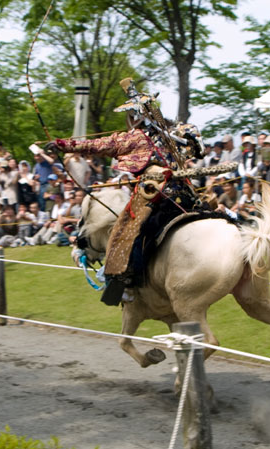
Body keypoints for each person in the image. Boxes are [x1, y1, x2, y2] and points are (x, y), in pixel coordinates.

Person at [47, 78, 206, 305]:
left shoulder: (159, 134)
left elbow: (97, 145)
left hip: (158, 198)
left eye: (129, 116)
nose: (127, 121)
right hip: (186, 197)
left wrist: (63, 145)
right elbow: (199, 148)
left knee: (125, 232)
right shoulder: (172, 131)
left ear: (135, 116)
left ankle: (128, 283)